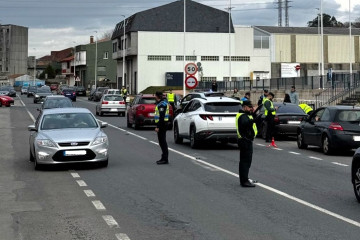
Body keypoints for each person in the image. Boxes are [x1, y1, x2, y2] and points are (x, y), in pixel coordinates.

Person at [236, 101, 258, 187]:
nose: (251, 109)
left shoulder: (244, 115)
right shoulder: (243, 116)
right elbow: (246, 124)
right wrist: (254, 120)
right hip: (245, 141)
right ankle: (244, 181)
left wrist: (254, 114)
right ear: (244, 107)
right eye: (249, 107)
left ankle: (244, 179)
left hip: (245, 140)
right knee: (245, 162)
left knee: (245, 161)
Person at [154, 91, 170, 165]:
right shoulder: (162, 103)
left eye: (155, 95)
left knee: (162, 142)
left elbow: (162, 117)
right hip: (163, 124)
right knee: (162, 142)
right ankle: (163, 157)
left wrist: (158, 127)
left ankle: (165, 159)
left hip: (162, 125)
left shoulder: (162, 104)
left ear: (157, 96)